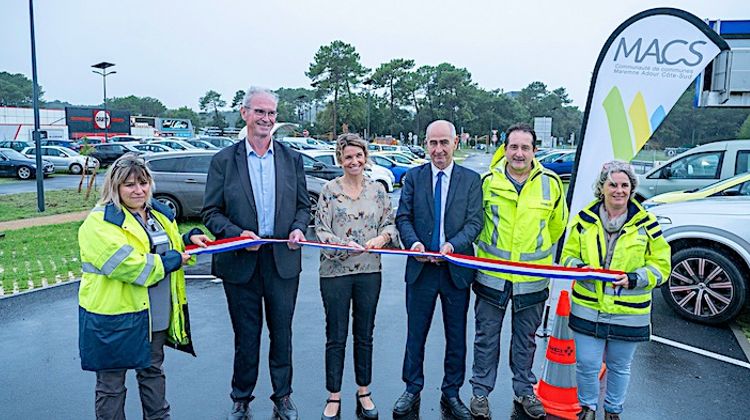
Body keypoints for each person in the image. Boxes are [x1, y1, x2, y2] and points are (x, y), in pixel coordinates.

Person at [202, 87, 310, 420]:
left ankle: (283, 396)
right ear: (245, 113)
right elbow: (211, 213)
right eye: (259, 112)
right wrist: (236, 235)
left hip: (282, 261)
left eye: (271, 113)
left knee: (282, 332)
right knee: (246, 335)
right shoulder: (223, 160)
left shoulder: (291, 159)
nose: (266, 119)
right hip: (241, 262)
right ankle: (241, 397)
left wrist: (297, 228)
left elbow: (304, 207)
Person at [78, 152, 210, 420]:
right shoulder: (100, 222)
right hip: (115, 318)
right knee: (111, 386)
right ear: (114, 187)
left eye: (143, 182)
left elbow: (165, 247)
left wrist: (188, 239)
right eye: (129, 184)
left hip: (155, 314)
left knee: (153, 372)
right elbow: (130, 265)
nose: (138, 190)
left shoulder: (158, 213)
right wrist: (173, 259)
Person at [470, 123, 568, 419]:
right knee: (486, 338)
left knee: (525, 339)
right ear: (505, 148)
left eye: (525, 147)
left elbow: (556, 227)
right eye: (513, 147)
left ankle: (524, 390)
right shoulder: (487, 181)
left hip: (532, 281)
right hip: (492, 278)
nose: (519, 153)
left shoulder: (551, 183)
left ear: (534, 150)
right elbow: (476, 223)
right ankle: (480, 393)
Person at [561, 161, 670, 420]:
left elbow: (662, 266)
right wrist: (580, 268)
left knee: (619, 366)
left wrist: (635, 278)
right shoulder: (583, 220)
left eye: (624, 185)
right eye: (613, 184)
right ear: (602, 188)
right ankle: (587, 408)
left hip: (629, 311)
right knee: (587, 364)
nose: (618, 190)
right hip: (588, 305)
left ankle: (613, 411)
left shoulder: (648, 224)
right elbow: (566, 256)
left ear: (632, 188)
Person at [393, 120, 483, 419]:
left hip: (455, 270)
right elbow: (403, 217)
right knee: (415, 334)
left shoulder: (471, 180)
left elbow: (474, 222)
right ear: (425, 144)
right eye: (433, 143)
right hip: (420, 270)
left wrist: (453, 246)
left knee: (456, 335)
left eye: (444, 142)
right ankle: (412, 388)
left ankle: (452, 392)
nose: (438, 149)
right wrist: (414, 243)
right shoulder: (414, 177)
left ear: (455, 142)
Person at [314, 133, 399, 420]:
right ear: (340, 159)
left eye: (358, 156)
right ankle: (333, 395)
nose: (354, 161)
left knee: (364, 334)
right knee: (335, 335)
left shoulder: (377, 190)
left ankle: (364, 390)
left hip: (369, 271)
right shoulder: (329, 190)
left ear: (366, 157)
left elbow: (390, 223)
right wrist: (339, 245)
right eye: (348, 157)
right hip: (334, 273)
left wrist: (383, 237)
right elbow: (321, 231)